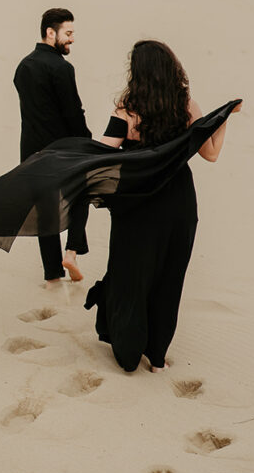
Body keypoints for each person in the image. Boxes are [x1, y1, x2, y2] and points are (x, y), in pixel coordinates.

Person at [84, 40, 241, 373]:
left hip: (137, 205)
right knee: (168, 278)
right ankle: (156, 356)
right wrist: (223, 118)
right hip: (178, 204)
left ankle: (128, 353)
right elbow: (211, 153)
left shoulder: (127, 111)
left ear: (137, 73)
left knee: (131, 275)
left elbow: (103, 153)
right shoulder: (187, 107)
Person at [13, 8, 91, 285]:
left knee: (46, 212)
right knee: (83, 192)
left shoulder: (23, 66)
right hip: (63, 151)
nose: (71, 39)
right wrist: (88, 142)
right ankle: (71, 251)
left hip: (32, 154)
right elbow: (73, 113)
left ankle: (52, 274)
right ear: (50, 32)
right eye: (68, 33)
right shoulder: (61, 68)